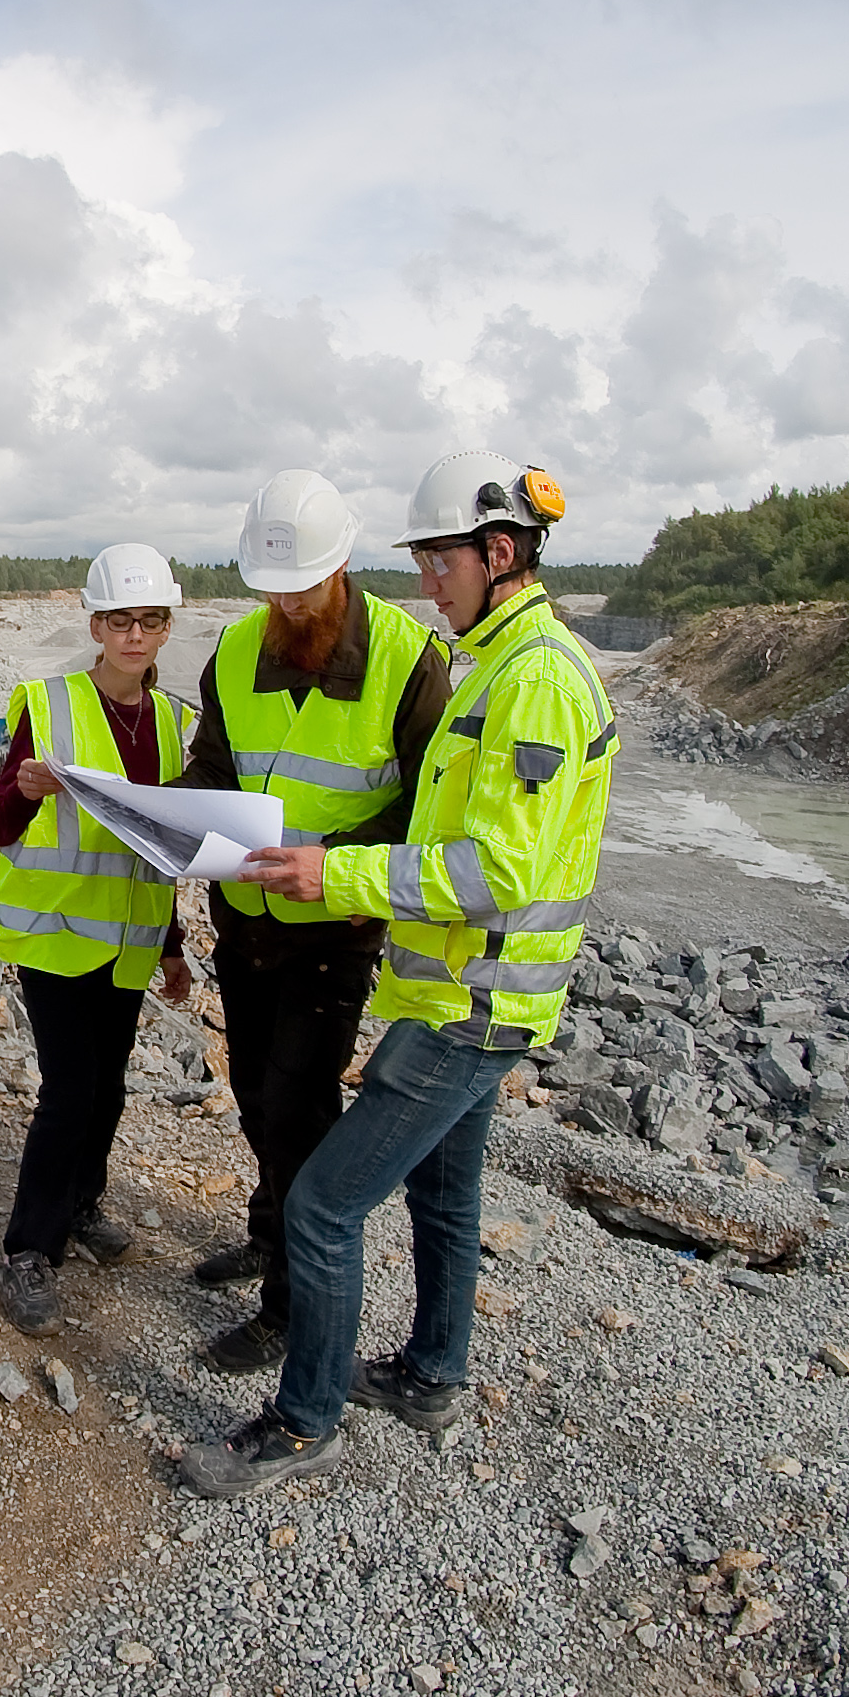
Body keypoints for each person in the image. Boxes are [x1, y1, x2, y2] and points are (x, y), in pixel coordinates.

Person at [176, 452, 619, 1496]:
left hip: (475, 997)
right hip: (450, 985)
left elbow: (494, 867)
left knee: (325, 1202)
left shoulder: (535, 679)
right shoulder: (502, 666)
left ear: (497, 551)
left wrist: (337, 871)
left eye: (440, 560)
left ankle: (304, 1418)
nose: (429, 580)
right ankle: (430, 1372)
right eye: (422, 560)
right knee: (445, 1188)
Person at [170, 469, 449, 1374]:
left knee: (297, 1109)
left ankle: (291, 1304)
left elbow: (427, 814)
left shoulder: (408, 662)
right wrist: (156, 812)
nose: (286, 604)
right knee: (255, 1092)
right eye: (270, 588)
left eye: (302, 586)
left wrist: (331, 868)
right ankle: (268, 1231)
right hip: (244, 922)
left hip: (334, 932)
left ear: (342, 566)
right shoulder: (238, 650)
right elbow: (213, 768)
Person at [0, 543, 200, 1336]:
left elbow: (163, 847)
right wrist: (25, 789)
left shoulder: (178, 724)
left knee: (106, 1088)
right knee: (70, 1091)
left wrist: (173, 945)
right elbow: (0, 824)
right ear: (96, 623)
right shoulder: (46, 703)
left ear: (166, 627)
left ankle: (81, 1204)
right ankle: (26, 1250)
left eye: (147, 620)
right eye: (118, 620)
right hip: (53, 932)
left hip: (131, 937)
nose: (132, 634)